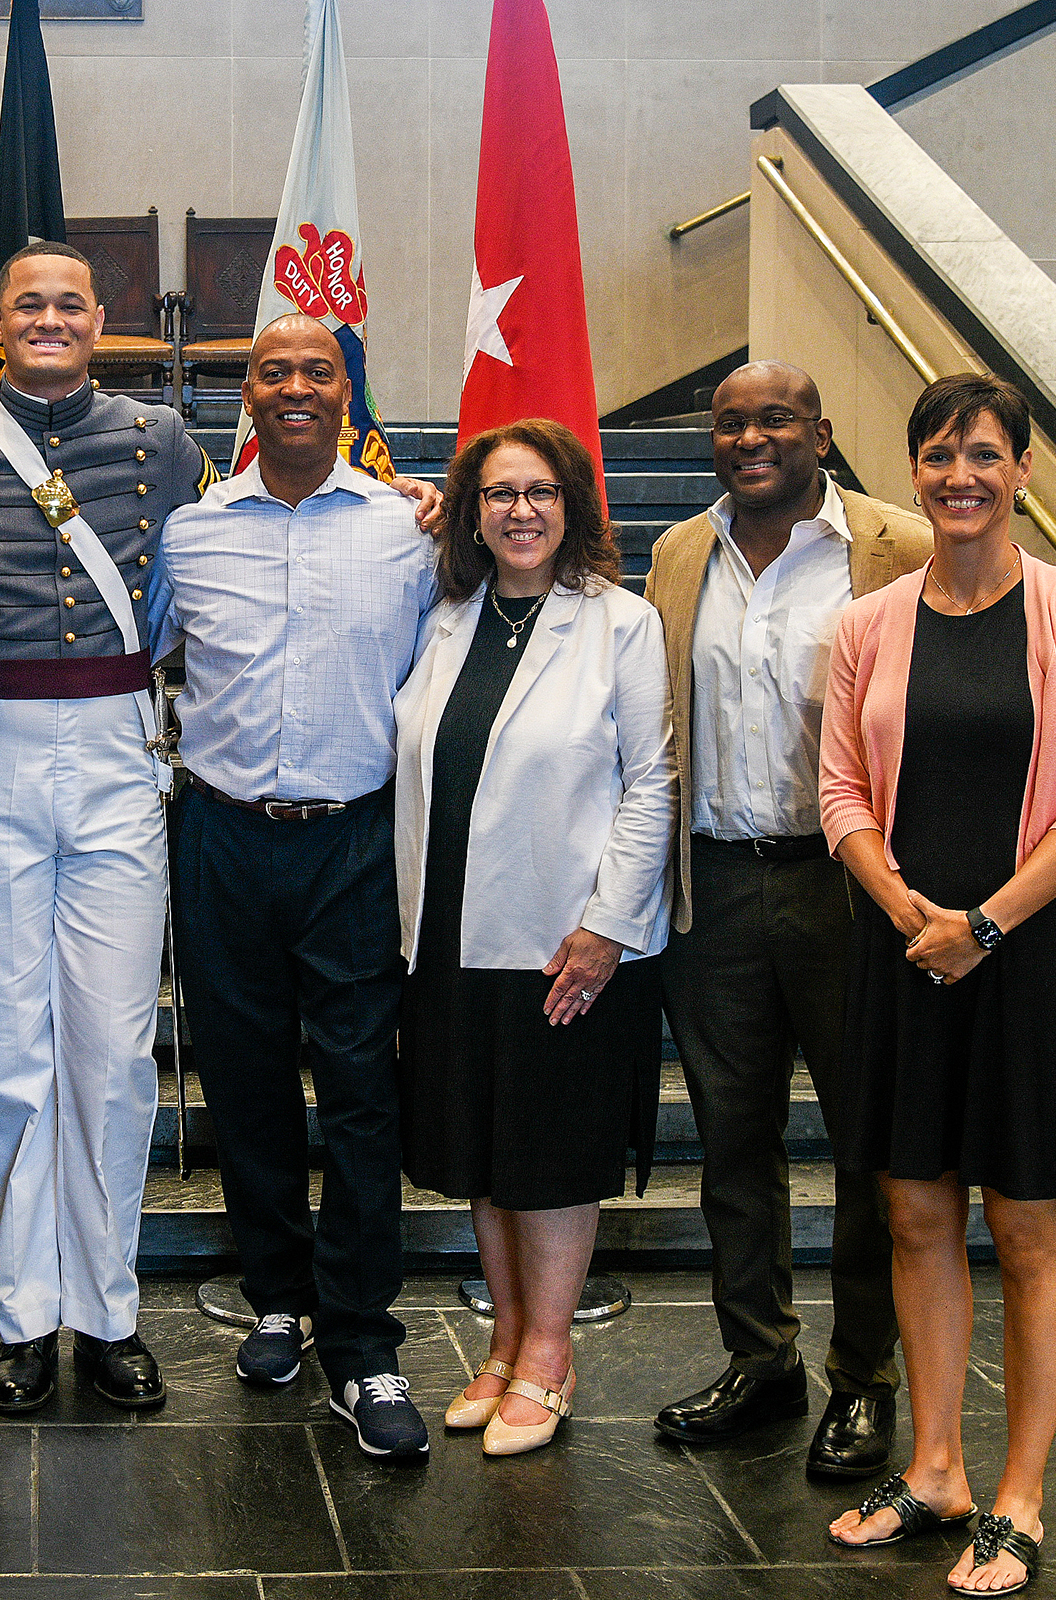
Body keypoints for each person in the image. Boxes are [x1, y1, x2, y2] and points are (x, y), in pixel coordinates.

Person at [0, 243, 433, 1413]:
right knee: (11, 1047)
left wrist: (416, 498)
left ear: (102, 319)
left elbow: (203, 578)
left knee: (117, 1051)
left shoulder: (165, 440)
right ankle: (25, 1313)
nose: (48, 319)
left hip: (124, 749)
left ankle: (110, 1310)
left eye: (70, 303)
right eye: (27, 303)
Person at [646, 361, 1056, 1478]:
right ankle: (759, 1357)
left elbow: (1016, 613)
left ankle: (863, 1383)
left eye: (775, 418)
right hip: (724, 881)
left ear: (822, 431)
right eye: (730, 422)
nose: (752, 437)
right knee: (737, 1140)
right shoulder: (679, 554)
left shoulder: (893, 542)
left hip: (860, 898)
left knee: (879, 1154)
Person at [823, 374, 1056, 1596]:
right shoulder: (868, 623)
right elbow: (842, 788)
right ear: (913, 469)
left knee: (1024, 1223)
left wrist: (984, 929)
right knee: (914, 1212)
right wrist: (907, 909)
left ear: (1020, 470)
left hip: (1028, 955)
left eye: (986, 454)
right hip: (906, 951)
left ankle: (1019, 1496)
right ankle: (939, 1465)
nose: (962, 474)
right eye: (941, 454)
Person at [151, 315, 438, 1458]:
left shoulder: (406, 530)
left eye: (318, 370)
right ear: (250, 394)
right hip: (221, 835)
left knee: (364, 1091)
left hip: (356, 840)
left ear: (347, 391)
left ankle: (363, 1341)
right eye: (275, 372)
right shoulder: (190, 530)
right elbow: (147, 651)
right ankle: (277, 1297)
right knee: (248, 1082)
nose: (296, 387)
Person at [393, 417, 673, 1458]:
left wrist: (608, 927)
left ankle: (550, 1356)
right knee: (483, 1146)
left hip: (565, 941)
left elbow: (652, 784)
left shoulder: (620, 623)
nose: (520, 511)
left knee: (551, 1154)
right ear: (470, 511)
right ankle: (505, 1346)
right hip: (451, 933)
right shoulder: (447, 616)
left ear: (573, 508)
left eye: (541, 492)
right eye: (499, 493)